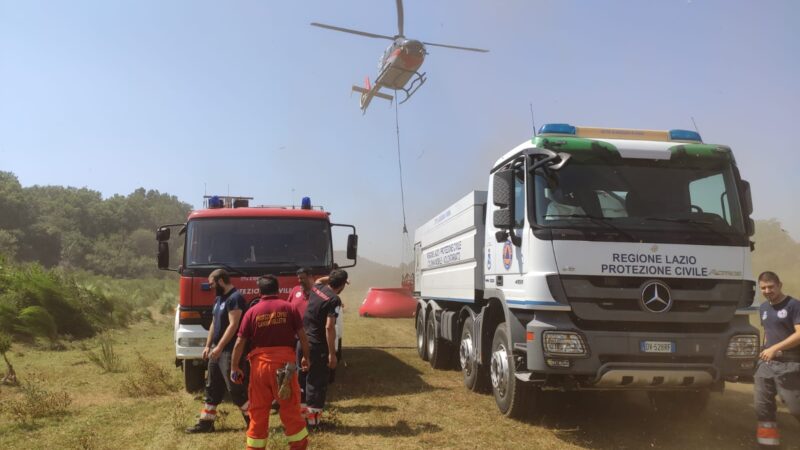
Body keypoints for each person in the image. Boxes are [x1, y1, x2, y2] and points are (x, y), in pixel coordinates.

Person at [231, 275, 311, 450]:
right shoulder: (289, 308)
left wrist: (234, 367)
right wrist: (306, 357)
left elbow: (239, 343)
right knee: (290, 410)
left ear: (260, 292)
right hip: (285, 368)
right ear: (277, 288)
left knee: (258, 412)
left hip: (260, 368)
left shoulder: (252, 312)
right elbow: (303, 338)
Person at [185, 268, 249, 433]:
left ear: (221, 281)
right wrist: (208, 345)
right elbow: (214, 323)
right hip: (216, 351)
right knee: (212, 388)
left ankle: (254, 422)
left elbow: (234, 325)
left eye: (212, 283)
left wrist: (220, 347)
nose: (211, 287)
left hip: (229, 352)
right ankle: (206, 424)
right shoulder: (219, 299)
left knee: (236, 389)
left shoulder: (235, 299)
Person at [754, 271, 800, 447]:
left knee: (796, 409)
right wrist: (765, 349)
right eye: (763, 288)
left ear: (780, 284)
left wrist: (775, 348)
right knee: (762, 409)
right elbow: (768, 331)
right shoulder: (764, 308)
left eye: (771, 286)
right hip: (766, 365)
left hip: (790, 364)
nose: (767, 290)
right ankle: (767, 446)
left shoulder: (794, 305)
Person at [302, 268, 348, 428]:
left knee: (303, 379)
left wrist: (334, 278)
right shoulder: (334, 300)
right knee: (317, 382)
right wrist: (332, 354)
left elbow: (321, 280)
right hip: (316, 345)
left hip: (302, 341)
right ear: (342, 285)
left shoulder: (317, 288)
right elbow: (329, 327)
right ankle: (313, 422)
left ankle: (302, 417)